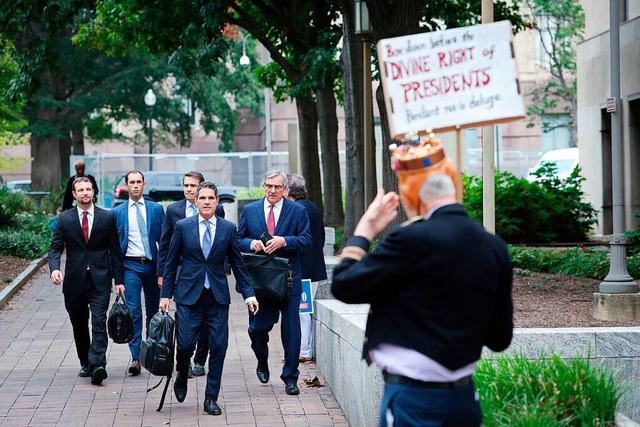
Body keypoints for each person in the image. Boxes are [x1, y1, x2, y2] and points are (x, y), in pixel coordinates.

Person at [331, 172, 514, 427]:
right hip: (464, 400)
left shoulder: (410, 239)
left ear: (411, 200)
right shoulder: (494, 246)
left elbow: (344, 285)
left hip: (413, 399)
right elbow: (499, 338)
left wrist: (364, 231)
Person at [160, 182, 259, 416]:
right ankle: (181, 374)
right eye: (201, 198)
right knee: (184, 346)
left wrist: (249, 294)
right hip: (188, 296)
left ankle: (210, 398)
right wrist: (165, 295)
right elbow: (171, 261)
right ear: (196, 201)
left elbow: (237, 263)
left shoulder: (227, 228)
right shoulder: (183, 227)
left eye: (210, 198)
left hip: (217, 298)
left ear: (217, 201)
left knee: (219, 347)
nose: (206, 202)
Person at [237, 170, 312, 396]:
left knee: (292, 332)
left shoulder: (297, 211)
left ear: (285, 190)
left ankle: (290, 378)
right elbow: (238, 240)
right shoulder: (250, 210)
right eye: (269, 186)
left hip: (289, 279)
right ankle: (262, 359)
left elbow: (307, 240)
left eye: (277, 187)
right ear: (263, 186)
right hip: (261, 280)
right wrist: (252, 244)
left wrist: (284, 241)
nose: (272, 191)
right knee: (257, 328)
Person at [48, 177, 125, 386]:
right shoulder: (64, 219)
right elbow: (55, 248)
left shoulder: (107, 217)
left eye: (88, 189)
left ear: (94, 192)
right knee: (79, 324)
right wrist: (54, 269)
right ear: (74, 194)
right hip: (74, 281)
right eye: (81, 190)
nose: (85, 193)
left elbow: (115, 250)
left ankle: (98, 364)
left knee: (99, 322)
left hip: (100, 279)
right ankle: (86, 362)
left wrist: (119, 280)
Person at [157, 170, 226, 378]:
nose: (189, 189)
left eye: (193, 186)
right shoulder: (173, 210)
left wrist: (223, 269)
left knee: (206, 321)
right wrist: (162, 275)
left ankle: (199, 360)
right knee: (186, 316)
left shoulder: (216, 209)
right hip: (180, 271)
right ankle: (184, 360)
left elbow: (222, 241)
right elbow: (166, 244)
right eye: (186, 186)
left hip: (207, 274)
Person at [112, 170, 165, 376]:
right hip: (130, 266)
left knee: (154, 312)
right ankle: (135, 357)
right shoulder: (117, 212)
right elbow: (114, 248)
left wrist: (162, 272)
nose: (135, 186)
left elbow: (164, 242)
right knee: (133, 311)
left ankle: (150, 353)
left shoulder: (156, 210)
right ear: (126, 186)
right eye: (131, 182)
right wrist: (117, 278)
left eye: (138, 182)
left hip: (152, 266)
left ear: (144, 184)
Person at [285, 173, 327, 362]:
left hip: (303, 269)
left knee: (301, 311)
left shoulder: (295, 210)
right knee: (304, 311)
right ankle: (302, 350)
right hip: (314, 267)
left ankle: (303, 351)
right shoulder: (313, 207)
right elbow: (322, 237)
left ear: (288, 190)